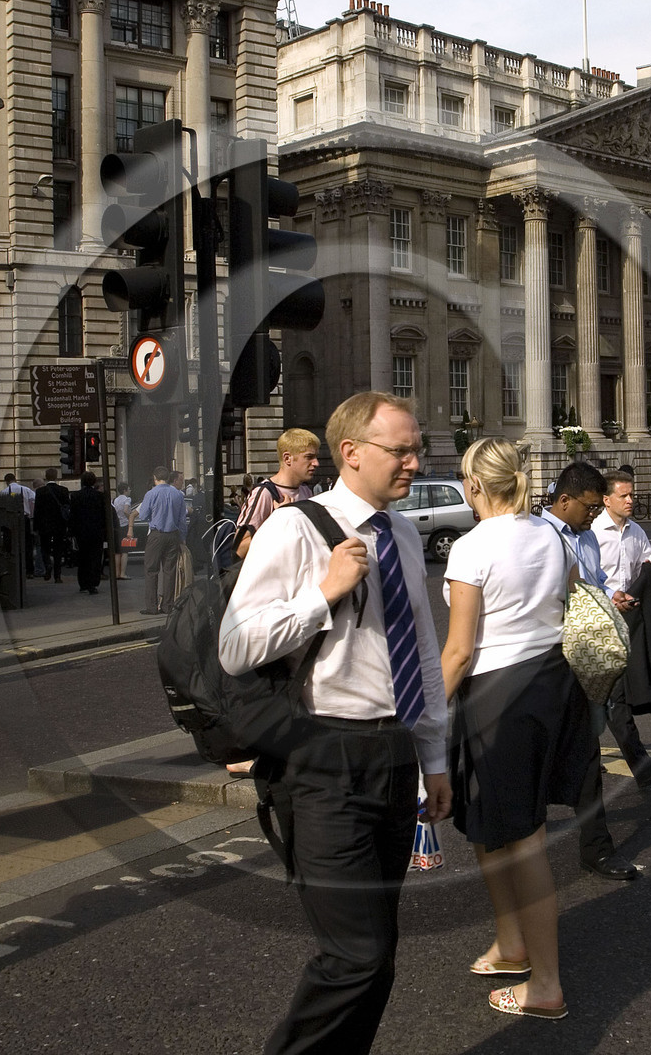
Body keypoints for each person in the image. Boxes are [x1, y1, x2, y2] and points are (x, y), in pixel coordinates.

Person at [219, 391, 450, 1055]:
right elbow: (236, 645)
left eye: (416, 448)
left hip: (395, 754)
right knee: (356, 954)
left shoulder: (402, 532)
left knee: (379, 953)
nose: (414, 462)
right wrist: (322, 594)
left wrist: (433, 757)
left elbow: (423, 653)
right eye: (400, 450)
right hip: (324, 762)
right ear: (351, 453)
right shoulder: (294, 529)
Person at [442, 437, 591, 1021]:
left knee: (523, 836)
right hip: (552, 684)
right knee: (489, 824)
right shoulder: (552, 535)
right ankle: (511, 944)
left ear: (476, 484)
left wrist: (422, 716)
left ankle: (546, 984)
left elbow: (458, 651)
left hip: (497, 695)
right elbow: (573, 593)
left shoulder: (471, 547)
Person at [540, 462, 651, 881]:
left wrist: (613, 595)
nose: (593, 516)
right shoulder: (540, 537)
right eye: (588, 508)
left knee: (588, 755)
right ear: (564, 500)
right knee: (540, 756)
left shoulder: (586, 536)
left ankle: (597, 848)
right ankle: (522, 841)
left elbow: (595, 581)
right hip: (547, 661)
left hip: (585, 659)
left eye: (596, 508)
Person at [233, 427, 322, 558]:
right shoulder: (264, 493)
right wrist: (278, 520)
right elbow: (239, 549)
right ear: (287, 459)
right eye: (309, 457)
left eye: (316, 457)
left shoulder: (306, 491)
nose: (316, 463)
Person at [136, 465, 187, 615]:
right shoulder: (178, 494)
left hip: (156, 535)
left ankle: (152, 607)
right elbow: (182, 519)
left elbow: (143, 515)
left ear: (155, 478)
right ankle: (168, 605)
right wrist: (182, 538)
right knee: (169, 571)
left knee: (151, 570)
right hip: (173, 535)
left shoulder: (151, 494)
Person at [69, 472, 109, 594]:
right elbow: (105, 516)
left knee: (83, 558)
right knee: (95, 558)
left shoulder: (76, 496)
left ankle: (83, 583)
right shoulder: (100, 496)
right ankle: (93, 583)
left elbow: (73, 516)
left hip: (81, 532)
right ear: (94, 482)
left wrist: (72, 533)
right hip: (96, 532)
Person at [36, 468, 72, 582]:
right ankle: (57, 575)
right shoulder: (64, 490)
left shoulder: (40, 492)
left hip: (45, 525)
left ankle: (47, 565)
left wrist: (36, 527)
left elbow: (37, 510)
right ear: (56, 476)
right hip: (59, 524)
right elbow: (67, 508)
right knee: (58, 549)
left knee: (44, 548)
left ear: (46, 477)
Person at [1, 474, 38, 576]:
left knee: (12, 545)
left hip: (10, 520)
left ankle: (13, 569)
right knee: (27, 545)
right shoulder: (25, 489)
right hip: (24, 519)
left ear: (6, 481)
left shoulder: (4, 492)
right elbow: (34, 499)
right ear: (15, 479)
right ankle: (29, 570)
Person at [110, 482, 133, 580]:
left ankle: (116, 573)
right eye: (129, 489)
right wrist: (130, 518)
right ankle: (123, 573)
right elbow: (125, 510)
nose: (130, 490)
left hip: (116, 526)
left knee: (117, 551)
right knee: (125, 551)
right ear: (125, 490)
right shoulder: (127, 499)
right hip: (125, 526)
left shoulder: (115, 500)